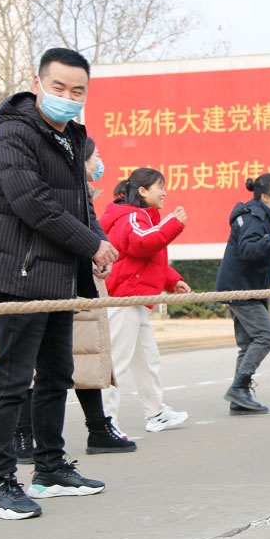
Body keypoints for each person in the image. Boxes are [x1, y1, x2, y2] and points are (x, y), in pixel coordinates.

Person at [0, 48, 116, 520]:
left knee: (57, 376)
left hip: (59, 277)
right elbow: (32, 203)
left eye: (78, 90)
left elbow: (81, 205)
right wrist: (90, 244)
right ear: (38, 84)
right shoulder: (12, 134)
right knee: (11, 383)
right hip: (19, 276)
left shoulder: (73, 136)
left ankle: (50, 469)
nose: (67, 97)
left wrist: (97, 245)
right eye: (59, 87)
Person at [14, 137, 135, 462]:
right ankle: (23, 433)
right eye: (96, 157)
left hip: (80, 281)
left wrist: (101, 251)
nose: (99, 163)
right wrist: (92, 247)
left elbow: (90, 224)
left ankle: (97, 427)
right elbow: (52, 221)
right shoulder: (43, 179)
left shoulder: (83, 190)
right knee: (33, 362)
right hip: (44, 278)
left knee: (84, 356)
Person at [100, 167, 190, 434]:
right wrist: (172, 223)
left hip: (134, 298)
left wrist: (172, 281)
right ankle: (105, 421)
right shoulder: (130, 217)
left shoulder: (139, 216)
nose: (164, 193)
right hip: (124, 299)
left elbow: (150, 260)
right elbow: (142, 244)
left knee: (147, 360)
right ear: (142, 191)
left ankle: (156, 413)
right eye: (160, 187)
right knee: (116, 363)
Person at [215, 173, 270, 415]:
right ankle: (238, 388)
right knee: (266, 334)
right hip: (240, 289)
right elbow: (248, 249)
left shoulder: (263, 215)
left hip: (247, 287)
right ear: (265, 196)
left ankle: (240, 399)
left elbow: (258, 252)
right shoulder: (252, 217)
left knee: (248, 343)